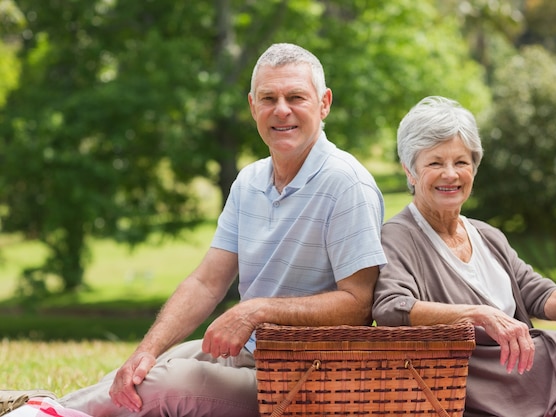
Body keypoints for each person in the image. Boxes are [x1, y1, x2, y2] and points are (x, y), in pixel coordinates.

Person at [1, 43, 387, 417]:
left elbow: (357, 304)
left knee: (161, 384)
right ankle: (39, 406)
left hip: (301, 379)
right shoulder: (249, 180)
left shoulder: (346, 184)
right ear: (253, 107)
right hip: (248, 354)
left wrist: (256, 311)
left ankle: (34, 415)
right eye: (268, 98)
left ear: (324, 104)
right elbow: (206, 282)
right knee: (141, 370)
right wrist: (145, 349)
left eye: (296, 97)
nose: (281, 110)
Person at [371, 96, 556, 417]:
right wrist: (477, 314)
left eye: (461, 162)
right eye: (435, 163)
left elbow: (541, 295)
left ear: (473, 169)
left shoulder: (487, 235)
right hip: (494, 393)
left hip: (540, 371)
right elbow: (392, 308)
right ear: (410, 171)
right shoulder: (397, 236)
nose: (450, 174)